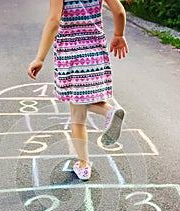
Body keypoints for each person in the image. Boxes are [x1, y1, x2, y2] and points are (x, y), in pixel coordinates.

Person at [28, 0, 128, 180]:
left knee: (77, 114)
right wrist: (119, 35)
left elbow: (54, 21)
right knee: (87, 100)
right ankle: (108, 113)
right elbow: (119, 11)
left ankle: (84, 162)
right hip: (96, 51)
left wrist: (40, 57)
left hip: (72, 55)